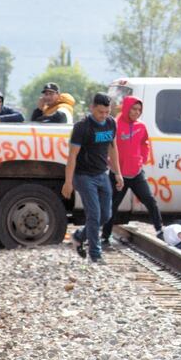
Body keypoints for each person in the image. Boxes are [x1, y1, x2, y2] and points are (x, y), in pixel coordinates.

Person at [62, 93, 123, 264]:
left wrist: (117, 172)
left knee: (105, 215)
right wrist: (68, 182)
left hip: (102, 174)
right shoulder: (82, 127)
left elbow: (113, 148)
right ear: (92, 108)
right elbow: (72, 156)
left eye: (106, 112)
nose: (103, 115)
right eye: (100, 112)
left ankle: (79, 236)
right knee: (94, 214)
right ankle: (95, 255)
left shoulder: (111, 123)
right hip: (83, 176)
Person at [101, 95, 163, 245]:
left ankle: (160, 230)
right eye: (134, 109)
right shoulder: (114, 124)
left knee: (150, 201)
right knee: (112, 206)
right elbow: (104, 144)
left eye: (139, 110)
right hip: (118, 174)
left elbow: (144, 143)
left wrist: (142, 158)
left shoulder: (141, 126)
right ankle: (105, 237)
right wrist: (109, 163)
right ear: (127, 108)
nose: (136, 112)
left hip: (136, 173)